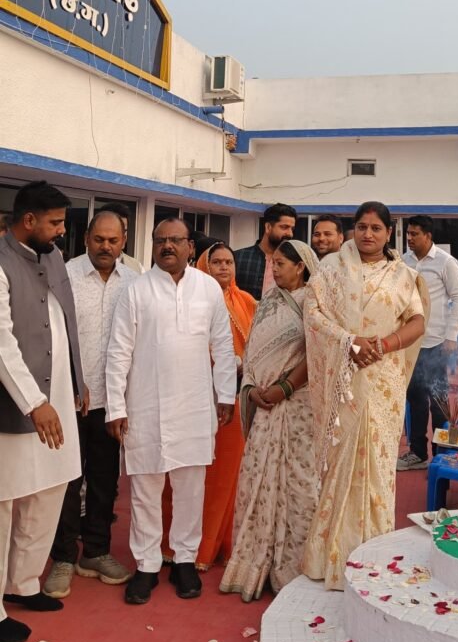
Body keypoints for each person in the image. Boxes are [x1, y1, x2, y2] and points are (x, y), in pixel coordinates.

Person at [105, 217, 237, 606]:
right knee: (145, 489)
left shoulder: (208, 288)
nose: (167, 246)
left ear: (190, 247)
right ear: (152, 245)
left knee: (190, 488)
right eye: (160, 240)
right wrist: (115, 406)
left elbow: (223, 344)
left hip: (194, 404)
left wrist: (225, 395)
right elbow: (119, 350)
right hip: (144, 404)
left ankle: (184, 559)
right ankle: (146, 564)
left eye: (176, 240)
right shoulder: (136, 290)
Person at [302, 202, 427, 591]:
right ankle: (329, 558)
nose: (367, 234)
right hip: (344, 376)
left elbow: (417, 321)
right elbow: (313, 314)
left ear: (389, 233)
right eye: (361, 227)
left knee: (377, 463)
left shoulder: (403, 275)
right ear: (352, 230)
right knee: (341, 461)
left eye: (375, 228)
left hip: (383, 379)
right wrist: (349, 342)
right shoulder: (331, 269)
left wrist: (384, 344)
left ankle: (372, 556)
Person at [0, 181, 86, 642]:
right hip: (15, 407)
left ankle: (24, 582)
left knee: (50, 488)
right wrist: (35, 402)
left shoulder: (52, 256)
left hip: (59, 400)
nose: (60, 230)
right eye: (54, 223)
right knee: (4, 501)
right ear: (28, 220)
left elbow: (65, 322)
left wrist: (77, 380)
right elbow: (2, 346)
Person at [43, 211, 136, 599]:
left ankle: (95, 552)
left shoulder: (135, 282)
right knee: (67, 480)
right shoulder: (63, 277)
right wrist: (67, 383)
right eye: (99, 239)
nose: (106, 247)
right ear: (86, 239)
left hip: (112, 402)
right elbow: (51, 336)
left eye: (113, 241)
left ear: (124, 241)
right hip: (69, 398)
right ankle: (64, 557)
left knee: (104, 480)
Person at [219, 239, 319, 602]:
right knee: (257, 480)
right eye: (272, 263)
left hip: (297, 408)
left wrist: (285, 387)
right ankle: (253, 564)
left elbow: (318, 354)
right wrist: (251, 387)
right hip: (263, 405)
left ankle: (292, 566)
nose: (274, 269)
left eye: (281, 264)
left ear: (301, 267)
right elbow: (253, 351)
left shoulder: (313, 303)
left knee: (298, 484)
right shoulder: (269, 302)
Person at [191, 244, 256, 569]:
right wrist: (224, 363)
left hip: (236, 397)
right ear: (204, 266)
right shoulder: (192, 300)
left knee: (229, 475)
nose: (223, 268)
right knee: (198, 474)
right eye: (215, 262)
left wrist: (244, 364)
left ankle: (220, 543)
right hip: (199, 395)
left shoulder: (246, 301)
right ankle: (194, 547)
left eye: (228, 262)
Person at [397, 215, 458, 470]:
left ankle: (441, 454)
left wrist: (452, 336)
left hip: (437, 342)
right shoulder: (404, 262)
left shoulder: (446, 262)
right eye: (408, 234)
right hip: (411, 342)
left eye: (414, 234)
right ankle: (417, 453)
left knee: (439, 401)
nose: (409, 238)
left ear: (428, 236)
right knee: (415, 399)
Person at [234, 203, 297, 300]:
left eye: (292, 229)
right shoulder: (239, 258)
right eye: (284, 227)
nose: (290, 234)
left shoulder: (294, 262)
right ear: (268, 227)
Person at [99, 201, 144, 274]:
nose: (118, 235)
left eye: (123, 230)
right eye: (113, 229)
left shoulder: (137, 268)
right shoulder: (79, 267)